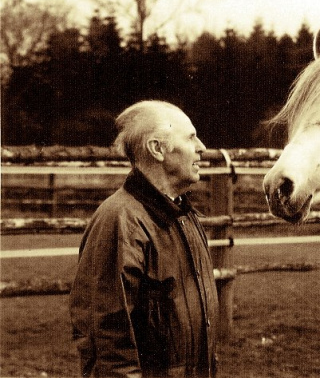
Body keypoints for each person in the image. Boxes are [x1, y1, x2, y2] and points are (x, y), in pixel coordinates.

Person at [69, 100, 219, 378]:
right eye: (190, 137)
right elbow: (106, 339)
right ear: (157, 149)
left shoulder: (185, 215)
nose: (202, 147)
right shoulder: (119, 221)